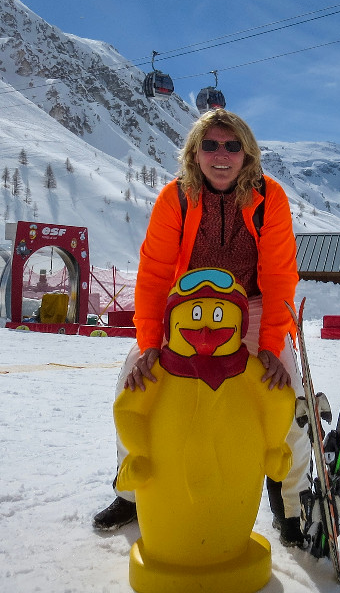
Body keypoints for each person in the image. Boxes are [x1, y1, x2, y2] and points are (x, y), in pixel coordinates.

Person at [93, 109, 311, 547]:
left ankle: (293, 502)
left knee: (288, 392)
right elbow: (154, 275)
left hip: (251, 307)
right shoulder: (175, 197)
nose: (221, 155)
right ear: (194, 153)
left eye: (232, 146)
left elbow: (280, 275)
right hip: (186, 310)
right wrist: (150, 344)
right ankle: (131, 493)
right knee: (135, 382)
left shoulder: (270, 198)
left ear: (247, 154)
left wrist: (270, 343)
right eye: (210, 145)